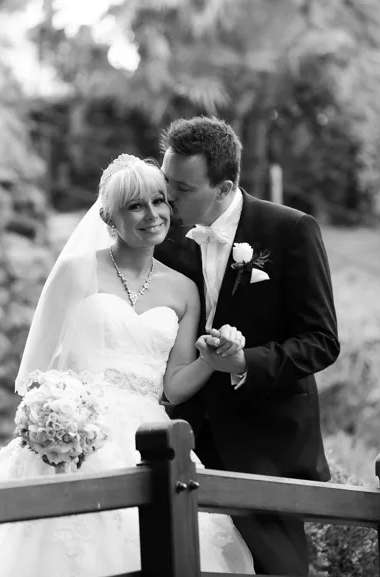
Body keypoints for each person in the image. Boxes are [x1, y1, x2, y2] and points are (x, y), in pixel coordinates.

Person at [0, 154, 255, 577]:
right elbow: (35, 374)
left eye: (159, 201)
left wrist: (213, 361)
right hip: (72, 441)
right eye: (135, 206)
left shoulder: (185, 289)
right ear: (108, 216)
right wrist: (50, 420)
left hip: (150, 442)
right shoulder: (76, 271)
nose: (152, 215)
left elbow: (172, 388)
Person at [154, 116, 340, 576]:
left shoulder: (291, 231)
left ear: (224, 187)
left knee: (277, 569)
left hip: (266, 448)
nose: (168, 198)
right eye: (166, 182)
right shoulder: (166, 239)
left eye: (182, 188)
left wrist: (245, 361)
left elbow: (321, 341)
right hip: (187, 442)